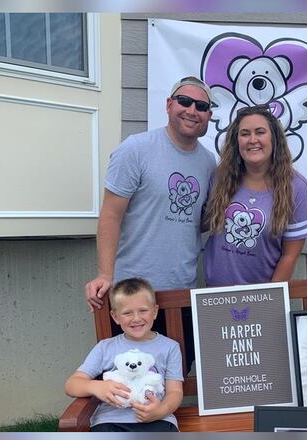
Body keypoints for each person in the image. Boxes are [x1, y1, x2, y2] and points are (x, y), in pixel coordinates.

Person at [84, 76, 216, 311]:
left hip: (182, 291)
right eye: (184, 101)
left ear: (209, 115)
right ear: (169, 105)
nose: (192, 110)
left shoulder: (208, 162)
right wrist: (104, 274)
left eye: (201, 106)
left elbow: (199, 222)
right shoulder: (135, 149)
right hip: (133, 292)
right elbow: (110, 216)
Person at [203, 105, 307, 286]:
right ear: (236, 141)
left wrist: (270, 296)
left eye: (260, 132)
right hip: (215, 294)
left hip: (262, 296)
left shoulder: (296, 187)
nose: (252, 140)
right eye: (245, 134)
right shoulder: (220, 178)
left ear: (274, 138)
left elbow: (290, 256)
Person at [65, 278, 183, 432]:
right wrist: (97, 387)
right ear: (115, 317)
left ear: (154, 312)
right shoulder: (105, 347)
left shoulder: (170, 347)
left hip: (157, 420)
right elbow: (71, 385)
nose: (136, 318)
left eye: (143, 311)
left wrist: (160, 411)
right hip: (110, 421)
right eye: (127, 313)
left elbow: (175, 392)